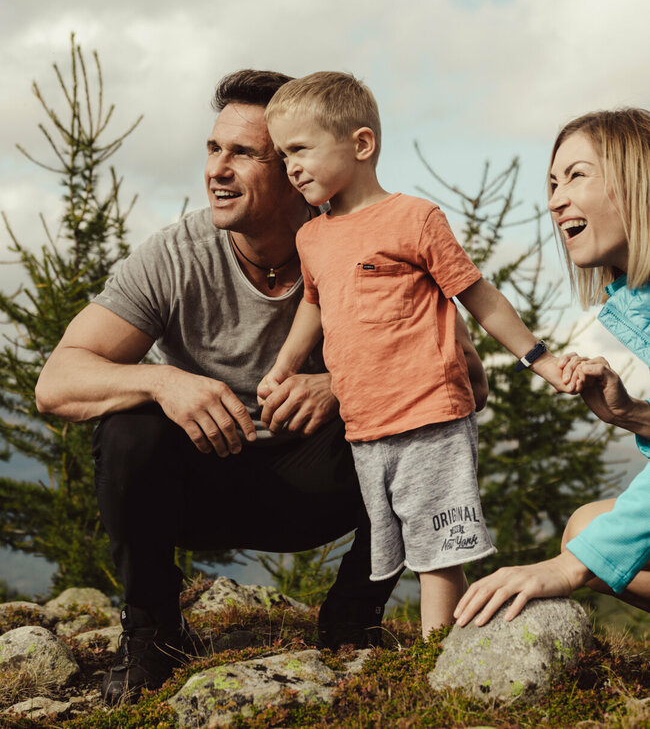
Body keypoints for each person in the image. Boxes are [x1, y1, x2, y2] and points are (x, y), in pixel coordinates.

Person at [35, 68, 485, 705]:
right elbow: (57, 382)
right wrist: (164, 383)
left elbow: (471, 379)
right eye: (214, 149)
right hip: (202, 483)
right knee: (128, 425)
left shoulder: (373, 238)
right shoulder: (175, 256)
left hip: (320, 485)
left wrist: (343, 385)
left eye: (243, 153)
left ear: (295, 169)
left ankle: (352, 623)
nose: (218, 169)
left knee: (424, 421)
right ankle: (153, 641)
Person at [259, 71, 573, 638]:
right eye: (283, 156)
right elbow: (314, 304)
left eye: (301, 149)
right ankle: (406, 640)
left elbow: (480, 296)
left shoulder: (415, 219)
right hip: (365, 421)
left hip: (430, 411)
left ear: (360, 144)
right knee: (391, 540)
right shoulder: (312, 237)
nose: (292, 167)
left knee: (436, 549)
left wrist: (541, 360)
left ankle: (438, 654)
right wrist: (283, 367)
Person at [454, 107, 650, 629]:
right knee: (589, 527)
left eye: (577, 175)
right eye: (552, 182)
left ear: (638, 180)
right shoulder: (636, 299)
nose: (555, 199)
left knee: (587, 548)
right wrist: (632, 416)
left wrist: (566, 569)